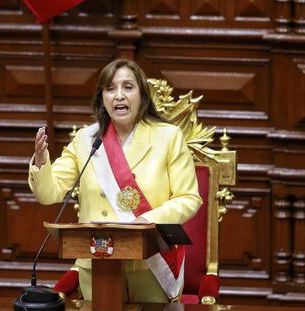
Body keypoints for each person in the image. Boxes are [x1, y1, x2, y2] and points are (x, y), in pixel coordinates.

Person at [28, 59, 202, 303]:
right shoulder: (86, 139)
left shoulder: (168, 136)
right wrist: (40, 161)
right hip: (96, 262)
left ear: (142, 94)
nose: (119, 96)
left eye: (128, 87)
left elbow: (189, 198)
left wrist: (145, 221)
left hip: (149, 265)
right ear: (102, 98)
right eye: (110, 88)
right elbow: (49, 193)